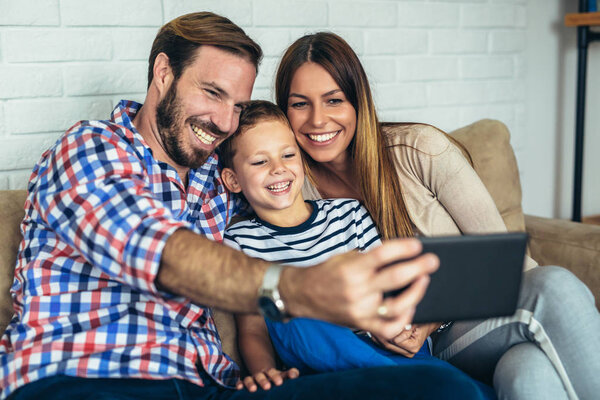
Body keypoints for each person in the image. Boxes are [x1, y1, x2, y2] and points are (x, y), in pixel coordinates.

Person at [0, 12, 492, 400]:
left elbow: (282, 165)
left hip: (211, 389)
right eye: (212, 93)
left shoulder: (222, 177)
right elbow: (162, 254)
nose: (223, 120)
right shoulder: (90, 150)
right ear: (163, 73)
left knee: (445, 388)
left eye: (237, 104)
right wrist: (302, 287)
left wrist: (252, 375)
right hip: (82, 381)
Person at [274, 31, 600, 400]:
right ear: (283, 112)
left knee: (528, 372)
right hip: (408, 353)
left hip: (477, 321)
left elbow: (508, 264)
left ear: (358, 103)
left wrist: (428, 319)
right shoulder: (288, 186)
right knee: (553, 294)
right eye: (300, 104)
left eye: (334, 100)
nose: (318, 120)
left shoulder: (419, 150)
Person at [218, 99, 495, 399]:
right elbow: (252, 327)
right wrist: (266, 374)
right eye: (260, 162)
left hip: (382, 345)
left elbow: (386, 287)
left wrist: (402, 324)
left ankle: (414, 377)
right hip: (317, 351)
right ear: (232, 179)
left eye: (288, 155)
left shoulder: (347, 213)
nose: (279, 169)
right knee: (293, 313)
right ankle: (418, 380)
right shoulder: (240, 240)